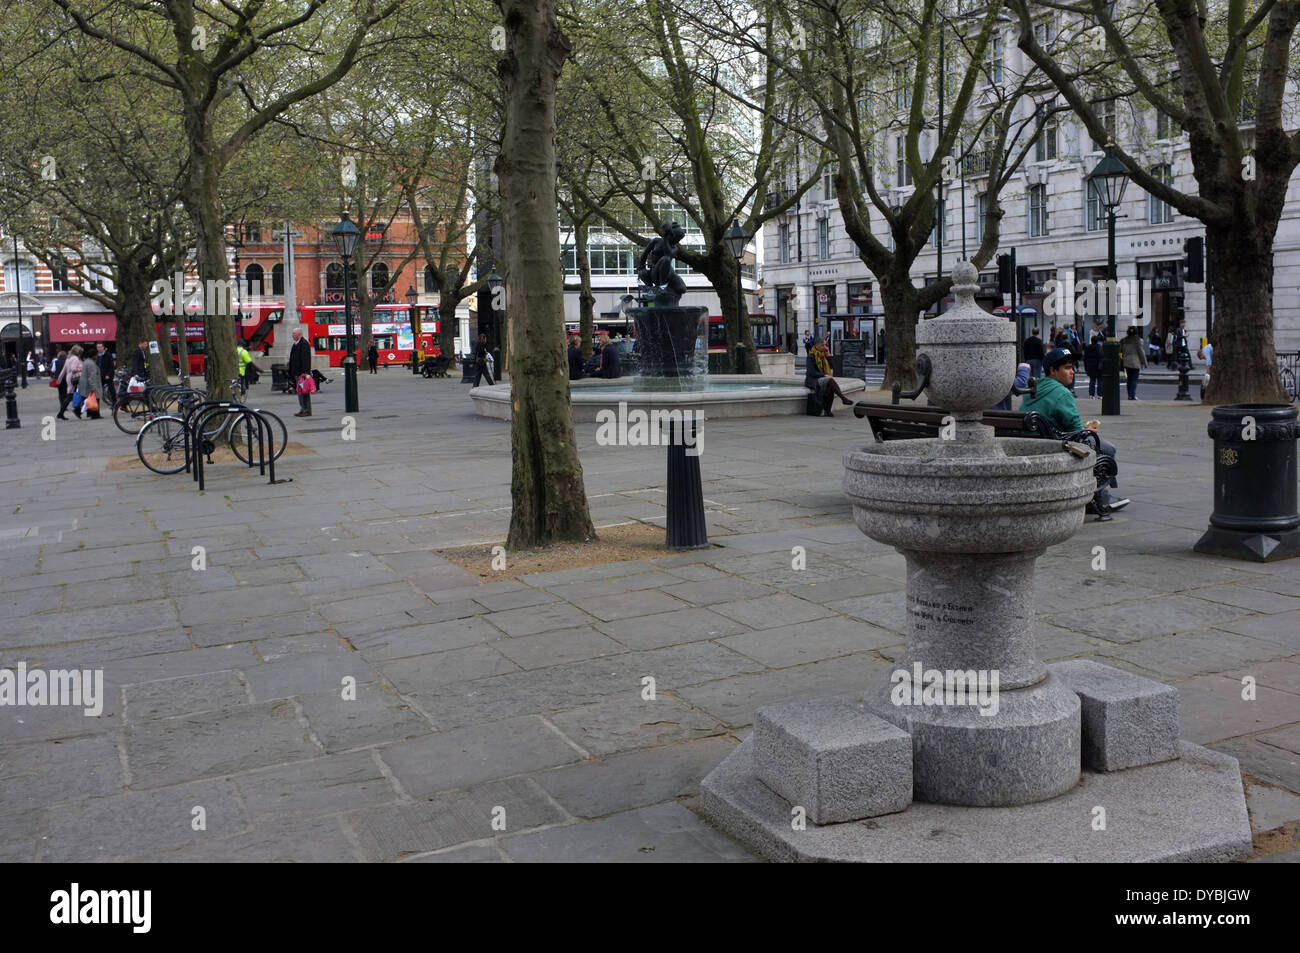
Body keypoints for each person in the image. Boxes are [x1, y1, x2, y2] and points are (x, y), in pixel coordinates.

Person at [1020, 347, 1129, 511]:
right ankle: (1101, 496)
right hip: (1055, 446)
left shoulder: (1033, 389)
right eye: (1067, 368)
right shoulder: (1062, 393)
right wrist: (1090, 430)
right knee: (1107, 448)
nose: (1072, 372)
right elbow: (1078, 432)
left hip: (1031, 442)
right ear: (1053, 370)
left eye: (1072, 367)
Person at [804, 337, 854, 417]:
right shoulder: (811, 356)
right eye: (822, 345)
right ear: (817, 346)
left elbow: (832, 366)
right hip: (813, 380)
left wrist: (828, 355)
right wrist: (824, 375)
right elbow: (811, 372)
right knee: (829, 380)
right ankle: (843, 399)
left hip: (823, 379)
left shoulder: (824, 355)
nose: (825, 347)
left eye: (825, 345)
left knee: (830, 386)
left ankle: (828, 411)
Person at [287, 326, 314, 417]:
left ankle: (306, 410)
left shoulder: (304, 344)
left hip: (302, 374)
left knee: (304, 392)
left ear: (299, 334)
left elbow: (305, 360)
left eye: (294, 333)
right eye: (292, 333)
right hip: (296, 373)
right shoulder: (295, 344)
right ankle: (303, 409)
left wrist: (304, 373)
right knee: (300, 392)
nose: (292, 335)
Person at [55, 345, 84, 419]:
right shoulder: (75, 358)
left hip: (68, 377)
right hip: (74, 377)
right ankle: (63, 413)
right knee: (71, 396)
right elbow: (73, 369)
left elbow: (63, 370)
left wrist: (59, 379)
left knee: (69, 396)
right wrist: (81, 370)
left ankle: (61, 413)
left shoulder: (68, 358)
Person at [1120, 325, 1148, 400]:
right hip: (1135, 362)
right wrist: (1145, 362)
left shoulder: (1123, 340)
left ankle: (1129, 394)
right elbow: (1141, 352)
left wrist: (1121, 360)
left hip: (1126, 362)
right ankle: (1132, 395)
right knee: (1134, 379)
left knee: (1129, 379)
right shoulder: (1138, 340)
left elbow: (1120, 352)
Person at [78, 348, 103, 419]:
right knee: (95, 399)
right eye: (96, 355)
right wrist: (93, 387)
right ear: (93, 356)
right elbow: (92, 377)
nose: (97, 356)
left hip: (85, 384)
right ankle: (95, 414)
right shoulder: (92, 364)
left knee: (89, 399)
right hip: (91, 384)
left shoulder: (86, 361)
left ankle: (91, 413)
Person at [1083, 333, 1104, 398]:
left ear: (1091, 340)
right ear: (1097, 341)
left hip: (1090, 366)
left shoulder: (1088, 347)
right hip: (1098, 366)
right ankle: (1099, 395)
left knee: (1092, 381)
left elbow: (1085, 358)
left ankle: (1091, 395)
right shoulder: (1099, 347)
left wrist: (1085, 367)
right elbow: (1102, 356)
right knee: (1100, 381)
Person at [96, 343, 116, 408]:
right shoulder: (97, 356)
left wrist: (108, 374)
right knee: (98, 392)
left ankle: (114, 405)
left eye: (100, 347)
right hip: (100, 376)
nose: (99, 349)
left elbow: (111, 366)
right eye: (98, 347)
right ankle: (96, 408)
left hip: (107, 376)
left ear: (103, 347)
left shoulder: (108, 355)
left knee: (112, 391)